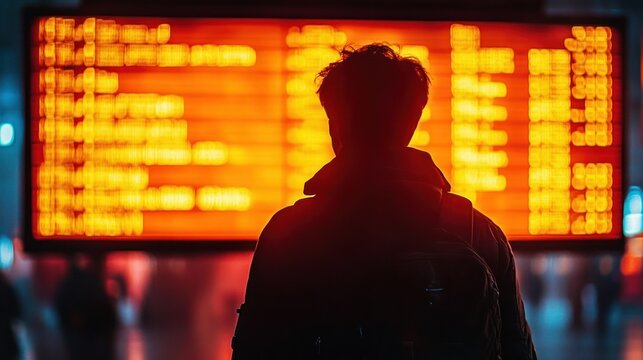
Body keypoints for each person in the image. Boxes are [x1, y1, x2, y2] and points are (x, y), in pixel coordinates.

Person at [233, 43, 536, 359]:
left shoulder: (289, 232)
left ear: (336, 123)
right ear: (412, 122)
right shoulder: (478, 233)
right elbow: (517, 351)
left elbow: (254, 350)